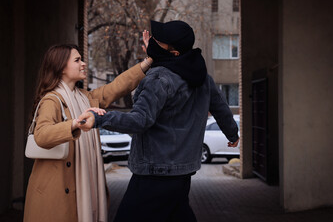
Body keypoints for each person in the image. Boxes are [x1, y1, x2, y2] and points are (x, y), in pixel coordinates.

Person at [78, 20, 239, 222]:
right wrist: (232, 134)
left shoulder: (159, 79)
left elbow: (139, 120)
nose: (152, 41)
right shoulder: (202, 77)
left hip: (155, 172)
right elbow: (221, 108)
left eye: (159, 41)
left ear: (174, 53)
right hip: (183, 171)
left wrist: (100, 118)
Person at [23, 34, 152, 222]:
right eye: (77, 60)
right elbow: (41, 135)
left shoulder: (85, 97)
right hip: (55, 194)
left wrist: (149, 61)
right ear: (61, 67)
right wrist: (74, 124)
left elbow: (117, 86)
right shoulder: (52, 100)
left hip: (78, 188)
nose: (83, 63)